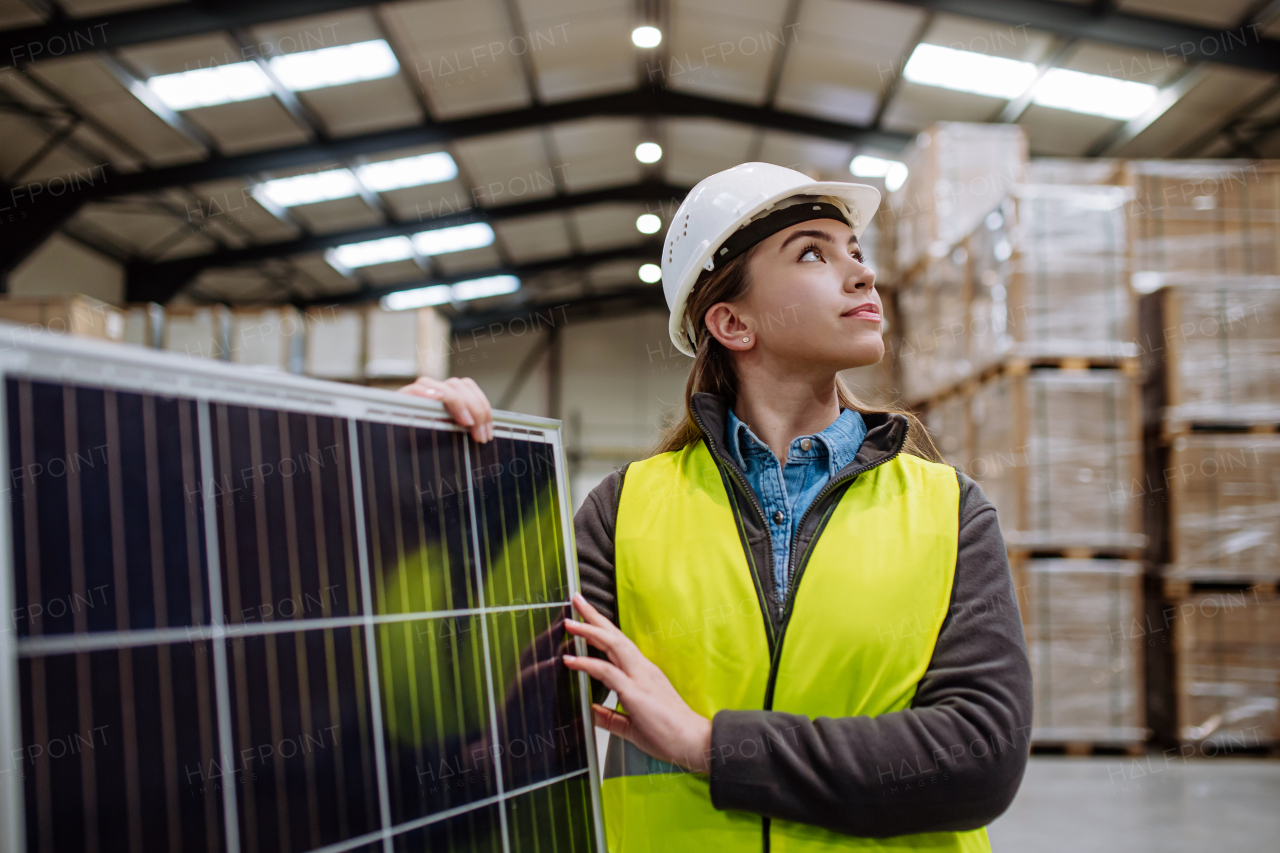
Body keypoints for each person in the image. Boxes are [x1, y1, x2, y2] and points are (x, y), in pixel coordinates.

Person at [401, 162, 1032, 852]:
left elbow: (980, 757)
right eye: (814, 252)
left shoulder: (949, 509)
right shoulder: (625, 510)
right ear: (732, 322)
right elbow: (501, 738)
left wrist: (709, 744)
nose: (863, 275)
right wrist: (428, 490)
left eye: (856, 252)